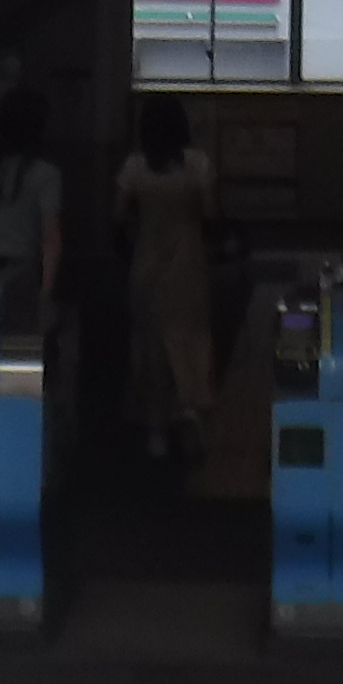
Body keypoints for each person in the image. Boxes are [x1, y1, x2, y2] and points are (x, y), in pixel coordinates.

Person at [111, 96, 220, 461]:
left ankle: (155, 430)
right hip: (189, 266)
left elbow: (117, 219)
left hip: (145, 265)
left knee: (150, 346)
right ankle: (190, 413)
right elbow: (211, 216)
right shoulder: (198, 165)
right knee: (190, 342)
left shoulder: (134, 168)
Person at [0, 85, 63, 329]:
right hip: (21, 273)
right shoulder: (45, 174)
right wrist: (46, 293)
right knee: (19, 342)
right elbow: (51, 241)